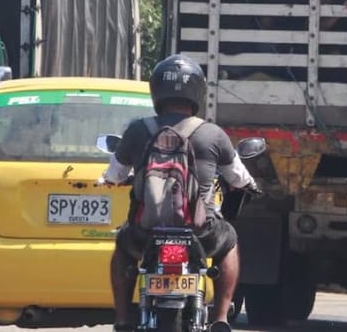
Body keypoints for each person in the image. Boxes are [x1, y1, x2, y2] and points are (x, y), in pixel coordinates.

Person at [100, 54, 262, 331]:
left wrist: (108, 180)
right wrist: (251, 186)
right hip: (200, 231)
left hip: (145, 230)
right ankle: (221, 318)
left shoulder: (138, 130)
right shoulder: (213, 134)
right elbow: (237, 175)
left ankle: (123, 319)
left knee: (123, 248)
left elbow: (114, 174)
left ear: (156, 91)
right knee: (230, 241)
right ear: (197, 92)